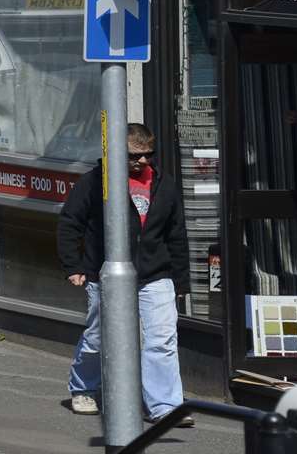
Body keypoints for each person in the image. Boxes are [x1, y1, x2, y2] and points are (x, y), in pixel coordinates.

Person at [58, 123, 192, 426]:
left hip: (155, 274)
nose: (143, 161)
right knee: (98, 336)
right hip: (105, 272)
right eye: (134, 156)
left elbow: (176, 234)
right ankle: (84, 387)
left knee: (162, 339)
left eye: (148, 155)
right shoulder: (95, 183)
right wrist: (74, 266)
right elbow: (70, 223)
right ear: (117, 154)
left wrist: (181, 280)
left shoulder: (164, 184)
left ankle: (164, 406)